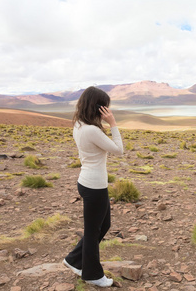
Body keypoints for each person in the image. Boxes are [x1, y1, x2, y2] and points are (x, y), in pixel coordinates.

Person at [63, 86, 123, 287]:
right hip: (94, 186)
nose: (106, 110)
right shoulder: (91, 130)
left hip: (88, 183)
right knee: (92, 232)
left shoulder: (79, 124)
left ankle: (73, 260)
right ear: (98, 107)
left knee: (102, 226)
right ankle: (92, 274)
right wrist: (112, 123)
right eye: (104, 107)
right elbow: (119, 150)